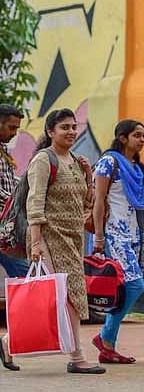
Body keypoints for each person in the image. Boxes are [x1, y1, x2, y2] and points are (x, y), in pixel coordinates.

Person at [1, 109, 105, 374]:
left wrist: (88, 177)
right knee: (65, 298)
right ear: (50, 132)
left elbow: (84, 204)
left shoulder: (74, 160)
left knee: (62, 297)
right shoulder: (43, 160)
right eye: (64, 127)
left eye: (73, 127)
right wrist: (35, 244)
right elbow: (34, 203)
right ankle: (77, 357)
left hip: (72, 238)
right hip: (47, 237)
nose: (71, 132)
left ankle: (8, 342)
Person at [91, 120, 144, 364]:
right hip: (114, 234)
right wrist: (99, 236)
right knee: (136, 286)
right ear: (123, 138)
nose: (142, 140)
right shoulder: (109, 162)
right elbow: (99, 201)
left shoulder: (136, 167)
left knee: (124, 288)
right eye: (137, 135)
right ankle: (104, 336)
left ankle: (108, 346)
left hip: (132, 234)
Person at [0, 104, 29, 278]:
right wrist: (16, 201)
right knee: (24, 276)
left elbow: (9, 182)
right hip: (3, 225)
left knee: (22, 274)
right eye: (11, 128)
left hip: (6, 222)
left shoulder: (3, 150)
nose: (14, 133)